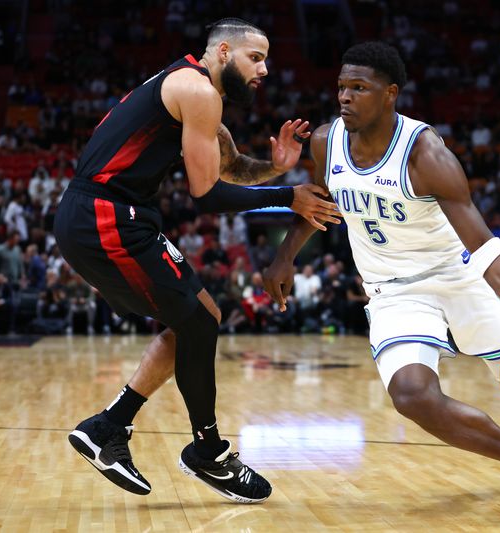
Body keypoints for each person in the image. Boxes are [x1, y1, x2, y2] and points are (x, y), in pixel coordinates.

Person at [263, 42, 500, 529]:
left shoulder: (426, 153)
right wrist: (285, 255)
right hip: (392, 290)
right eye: (341, 88)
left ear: (390, 94)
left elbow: (485, 245)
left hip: (456, 275)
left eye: (359, 88)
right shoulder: (326, 142)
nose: (345, 98)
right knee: (411, 395)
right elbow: (322, 202)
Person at [54, 18, 340, 503]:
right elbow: (206, 195)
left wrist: (276, 167)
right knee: (199, 321)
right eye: (256, 58)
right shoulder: (199, 92)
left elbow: (227, 167)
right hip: (105, 217)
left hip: (113, 218)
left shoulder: (190, 89)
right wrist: (288, 195)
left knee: (201, 317)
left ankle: (110, 426)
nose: (265, 70)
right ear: (223, 51)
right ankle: (206, 451)